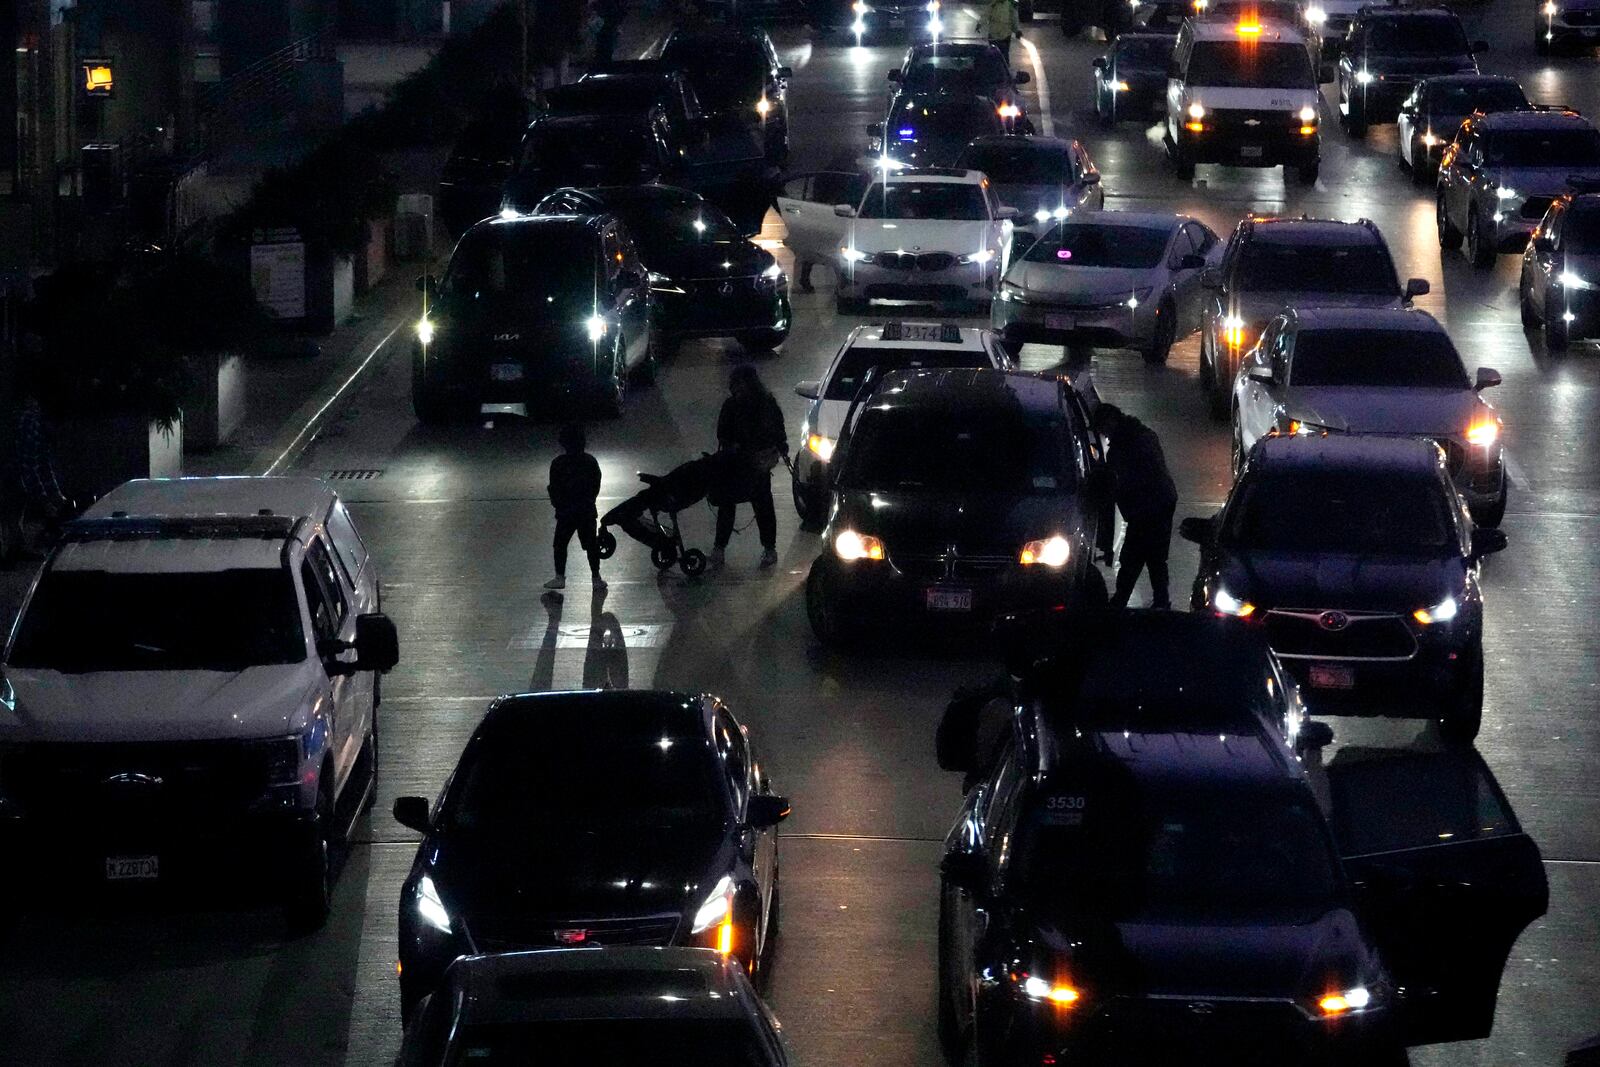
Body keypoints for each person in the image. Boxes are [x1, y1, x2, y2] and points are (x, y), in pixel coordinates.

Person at [1092, 403, 1177, 610]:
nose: (1104, 434)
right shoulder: (1143, 436)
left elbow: (1131, 480)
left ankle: (1125, 601)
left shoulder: (1129, 446)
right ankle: (1159, 601)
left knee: (1135, 557)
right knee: (1154, 558)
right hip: (1157, 505)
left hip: (1149, 508)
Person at [712, 365, 788, 569]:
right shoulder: (761, 404)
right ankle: (721, 548)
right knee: (741, 504)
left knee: (757, 505)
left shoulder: (761, 405)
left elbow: (778, 433)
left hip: (753, 463)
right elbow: (723, 433)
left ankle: (766, 548)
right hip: (741, 463)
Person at [0, 378, 69, 568]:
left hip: (15, 467)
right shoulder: (33, 425)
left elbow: (44, 465)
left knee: (16, 509)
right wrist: (47, 502)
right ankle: (9, 552)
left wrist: (58, 498)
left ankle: (16, 547)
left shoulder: (43, 428)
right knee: (11, 508)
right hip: (9, 466)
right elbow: (29, 466)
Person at [546, 423, 605, 592]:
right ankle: (596, 577)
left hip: (566, 512)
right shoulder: (590, 461)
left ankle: (560, 577)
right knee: (591, 544)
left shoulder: (558, 463)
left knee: (560, 544)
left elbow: (554, 488)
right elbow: (596, 485)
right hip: (586, 510)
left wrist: (559, 504)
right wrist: (588, 500)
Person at [982, 0, 1021, 67]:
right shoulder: (993, 4)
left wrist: (1017, 30)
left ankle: (1005, 68)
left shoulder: (1010, 5)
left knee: (1004, 53)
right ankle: (994, 67)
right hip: (993, 34)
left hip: (1005, 34)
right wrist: (980, 23)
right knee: (993, 53)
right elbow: (986, 14)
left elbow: (1014, 18)